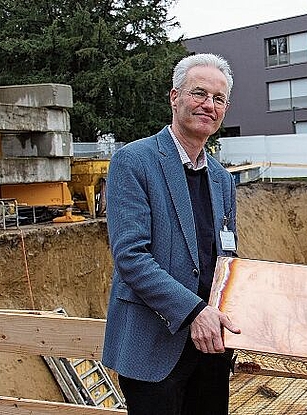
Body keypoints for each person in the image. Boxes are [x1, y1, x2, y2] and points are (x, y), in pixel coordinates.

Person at [102, 53, 241, 415]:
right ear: (174, 97)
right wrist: (194, 312)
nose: (208, 105)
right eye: (199, 93)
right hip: (154, 347)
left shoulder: (222, 179)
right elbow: (131, 256)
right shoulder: (134, 161)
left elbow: (227, 259)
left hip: (210, 349)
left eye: (219, 98)